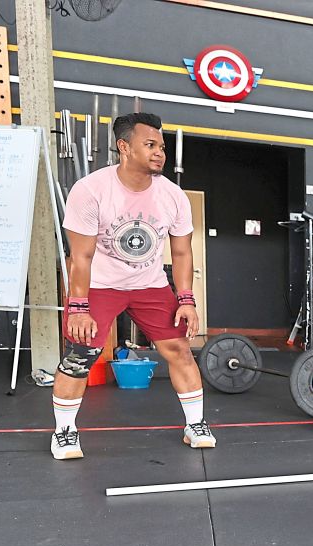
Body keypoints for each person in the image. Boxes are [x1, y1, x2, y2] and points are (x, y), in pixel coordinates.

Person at [50, 112, 213, 460]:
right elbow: (80, 258)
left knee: (180, 350)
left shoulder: (173, 196)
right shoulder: (91, 190)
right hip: (100, 285)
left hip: (150, 285)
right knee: (81, 355)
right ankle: (64, 431)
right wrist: (78, 307)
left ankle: (195, 424)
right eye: (150, 145)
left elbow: (182, 252)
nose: (159, 153)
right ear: (124, 147)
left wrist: (186, 300)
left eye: (162, 147)